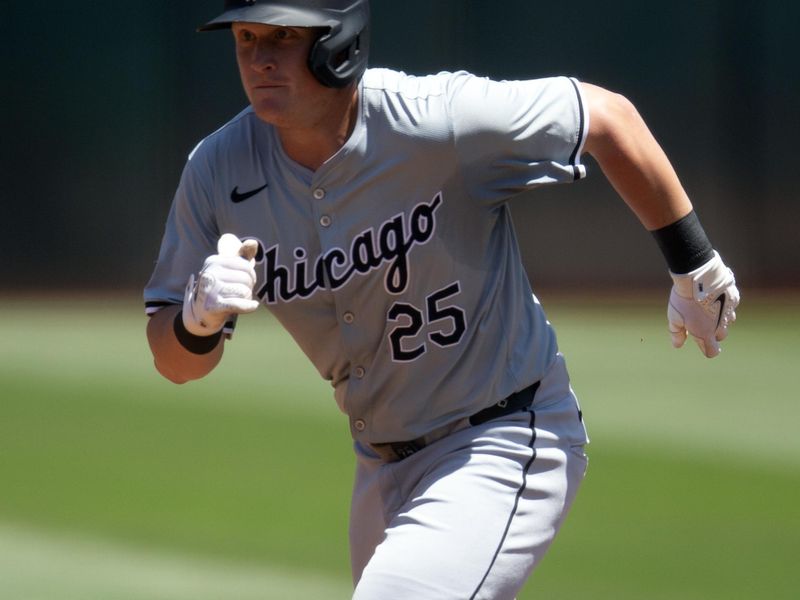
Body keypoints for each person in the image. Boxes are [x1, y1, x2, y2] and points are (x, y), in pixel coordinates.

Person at [144, 1, 740, 598]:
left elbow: (609, 117)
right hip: (379, 468)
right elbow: (175, 362)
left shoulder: (435, 121)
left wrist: (695, 265)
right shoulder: (216, 170)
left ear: (338, 43)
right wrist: (197, 318)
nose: (259, 58)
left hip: (501, 437)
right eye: (246, 38)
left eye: (282, 37)